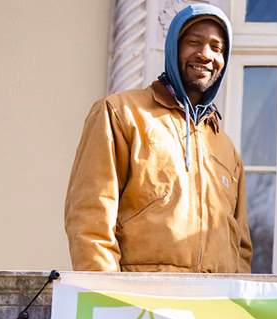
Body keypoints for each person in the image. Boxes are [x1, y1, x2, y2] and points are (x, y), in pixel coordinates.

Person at [64, 5, 251, 272]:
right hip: (141, 303)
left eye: (216, 47)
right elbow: (90, 218)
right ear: (173, 48)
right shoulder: (120, 113)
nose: (205, 55)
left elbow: (241, 248)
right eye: (194, 42)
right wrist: (107, 297)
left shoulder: (226, 149)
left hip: (211, 306)